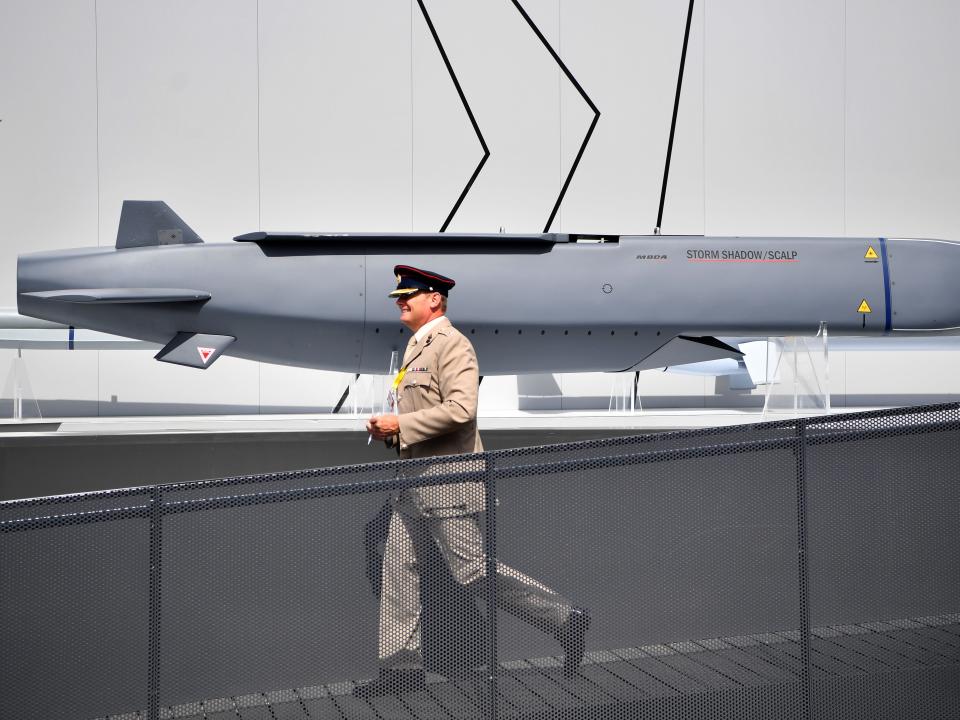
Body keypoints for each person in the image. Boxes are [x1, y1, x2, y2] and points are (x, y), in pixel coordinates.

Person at [358, 265, 589, 697]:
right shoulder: (416, 346)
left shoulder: (453, 345)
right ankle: (401, 671)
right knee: (398, 573)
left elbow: (462, 410)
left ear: (435, 300)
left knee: (471, 570)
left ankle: (564, 617)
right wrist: (389, 431)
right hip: (411, 483)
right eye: (397, 296)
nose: (399, 301)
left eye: (408, 295)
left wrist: (401, 424)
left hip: (447, 483)